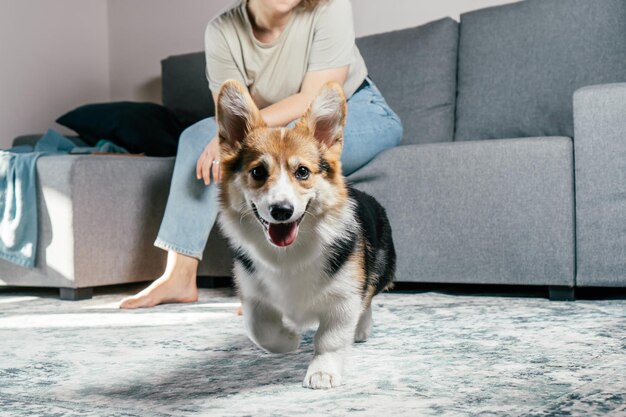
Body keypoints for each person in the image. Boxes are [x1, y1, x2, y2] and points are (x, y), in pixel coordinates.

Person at [119, 0, 403, 309]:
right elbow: (234, 110)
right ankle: (179, 276)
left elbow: (313, 98)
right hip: (274, 126)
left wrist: (248, 138)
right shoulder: (222, 31)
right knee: (196, 137)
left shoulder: (330, 7)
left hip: (351, 112)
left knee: (293, 137)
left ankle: (274, 289)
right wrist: (223, 138)